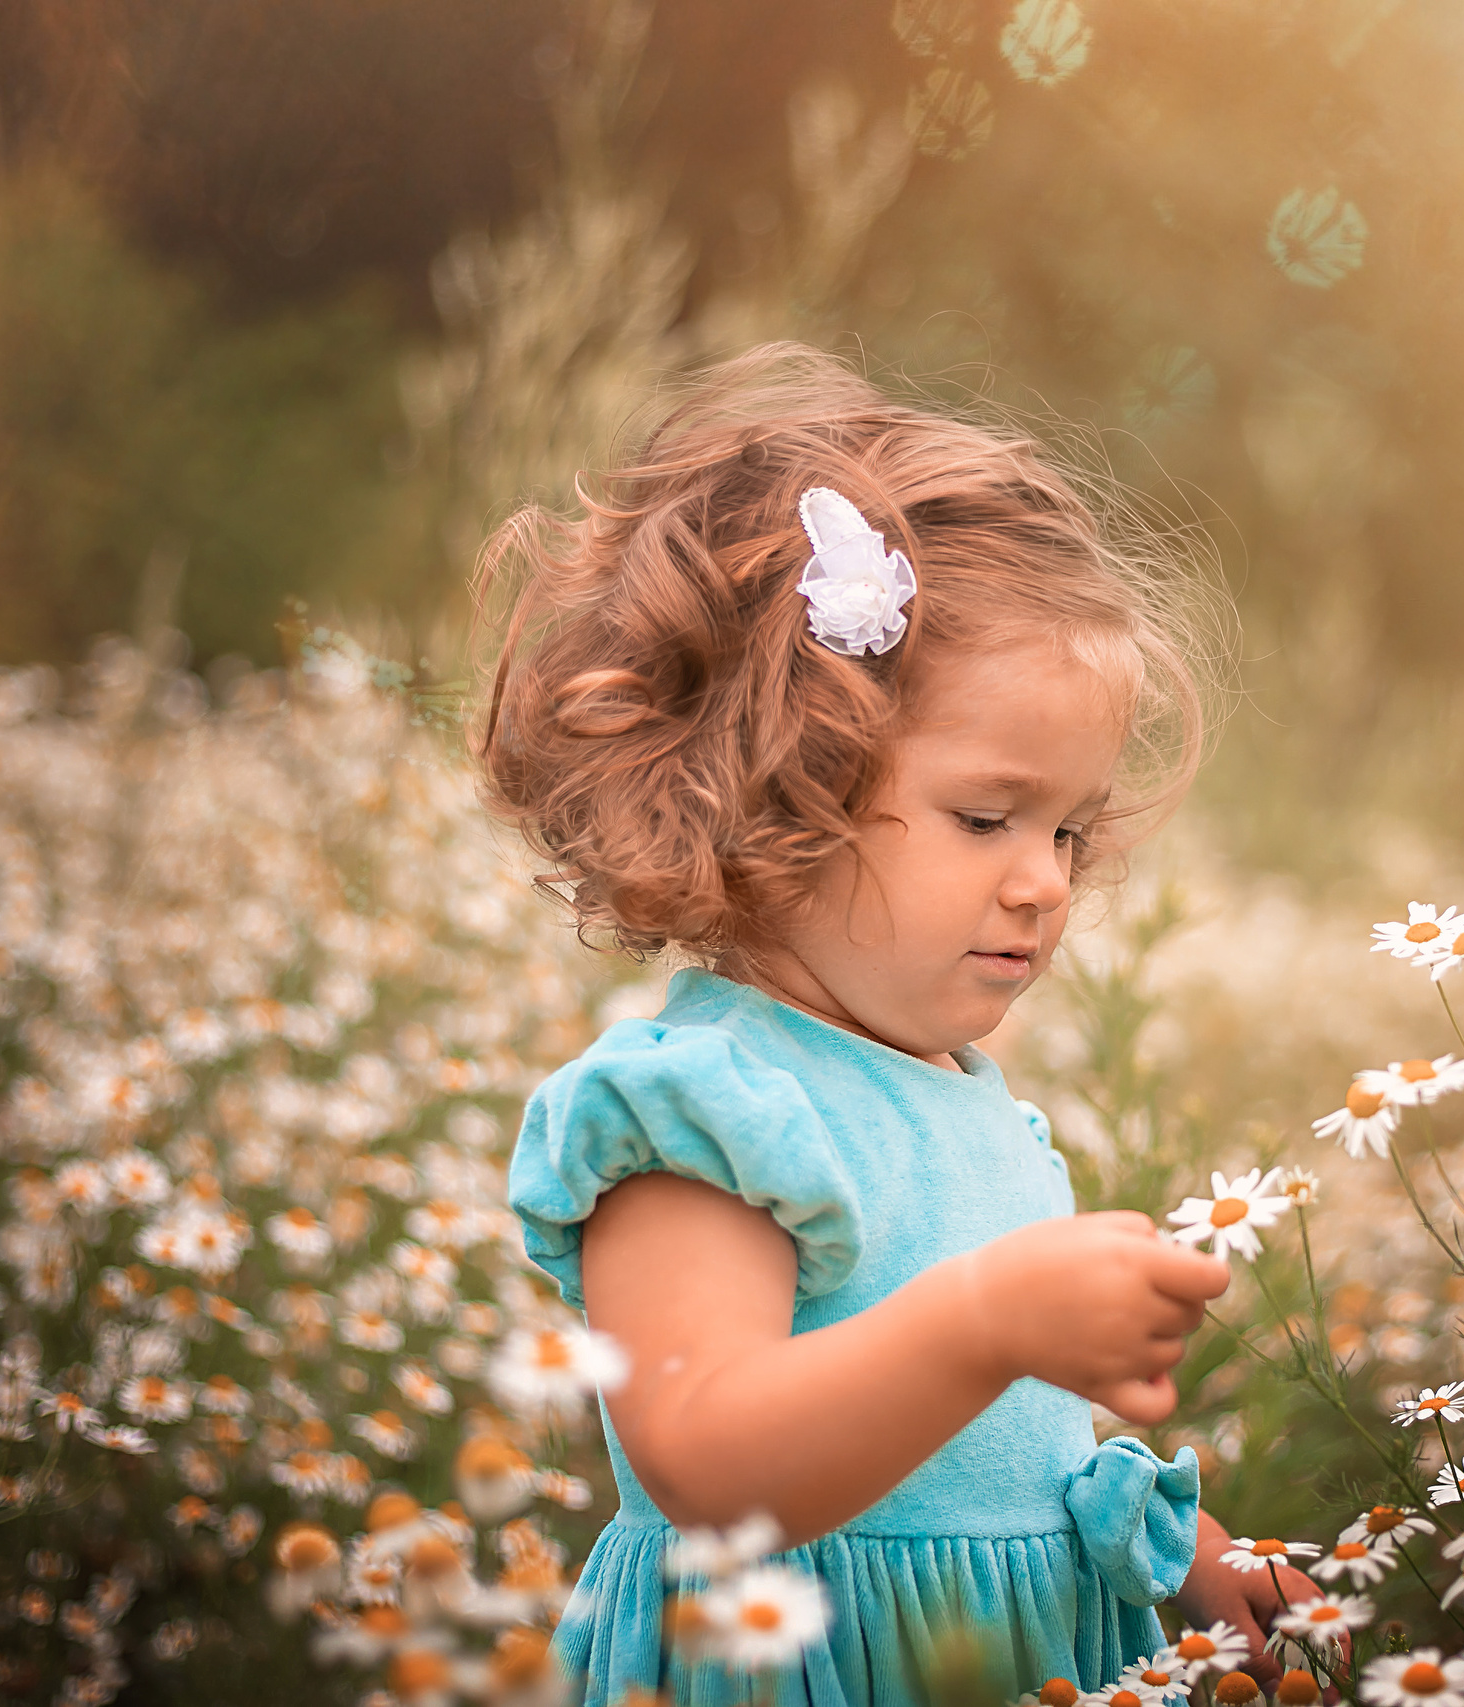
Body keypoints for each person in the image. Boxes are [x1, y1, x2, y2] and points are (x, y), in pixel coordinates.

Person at [474, 342, 1323, 1703]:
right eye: (987, 817)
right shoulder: (706, 1112)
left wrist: (1192, 1560)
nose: (1046, 880)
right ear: (776, 793)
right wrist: (982, 1322)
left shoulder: (971, 1103)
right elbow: (707, 1466)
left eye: (1070, 830)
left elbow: (1009, 1466)